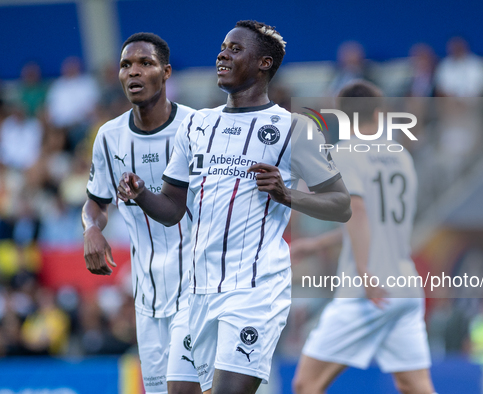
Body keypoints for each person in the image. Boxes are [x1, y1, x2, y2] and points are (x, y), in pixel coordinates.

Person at [116, 20, 351, 394]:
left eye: (236, 49)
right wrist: (142, 194)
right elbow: (173, 208)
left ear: (264, 64)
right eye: (223, 47)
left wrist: (287, 194)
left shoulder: (295, 129)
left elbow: (341, 204)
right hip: (195, 293)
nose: (222, 54)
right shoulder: (197, 125)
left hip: (253, 291)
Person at [291, 81, 435, 394]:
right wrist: (317, 244)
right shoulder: (401, 157)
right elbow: (375, 221)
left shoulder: (344, 154)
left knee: (306, 384)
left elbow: (357, 209)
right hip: (404, 286)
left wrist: (364, 270)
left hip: (368, 290)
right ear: (380, 113)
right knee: (416, 386)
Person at [82, 32, 202, 394]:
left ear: (166, 73)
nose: (133, 72)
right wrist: (91, 228)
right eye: (125, 65)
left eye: (145, 63)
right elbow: (96, 202)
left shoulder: (198, 127)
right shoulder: (108, 136)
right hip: (147, 296)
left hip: (198, 287)